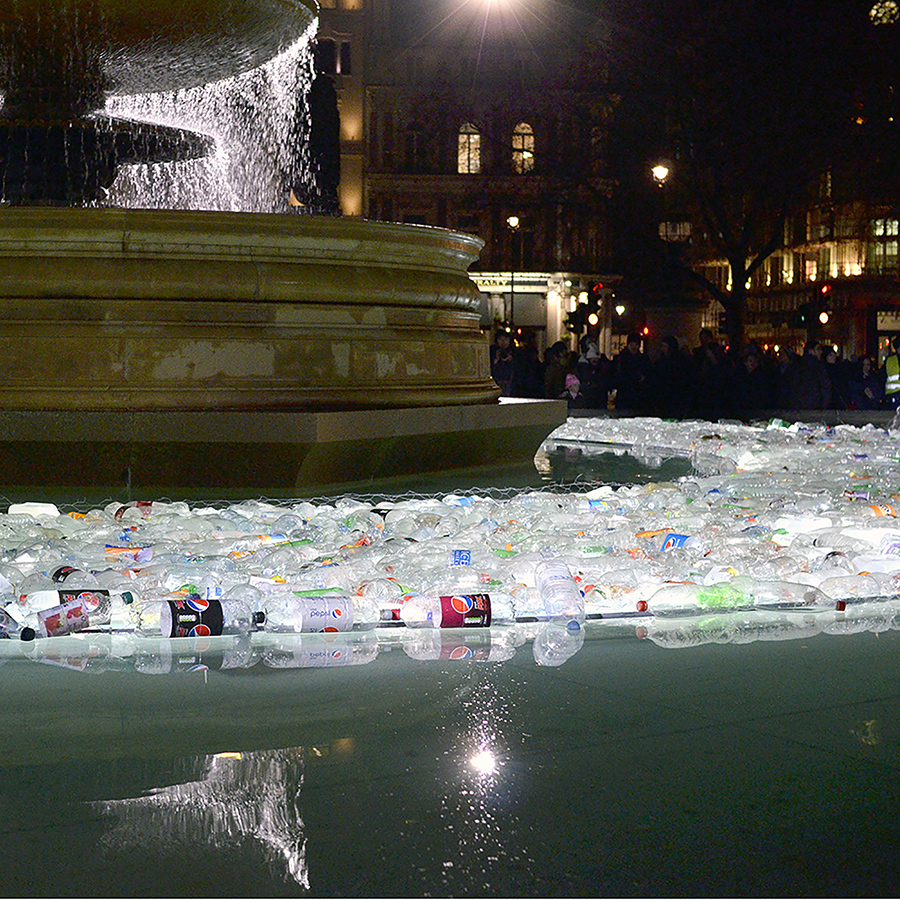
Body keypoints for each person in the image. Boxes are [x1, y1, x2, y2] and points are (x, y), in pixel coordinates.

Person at [784, 340, 832, 409]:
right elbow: (825, 387)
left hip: (796, 405)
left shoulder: (795, 366)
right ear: (811, 351)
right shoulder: (818, 367)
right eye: (818, 349)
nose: (821, 352)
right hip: (815, 405)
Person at [613, 332, 651, 413]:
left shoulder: (643, 360)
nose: (634, 347)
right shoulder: (621, 359)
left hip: (638, 397)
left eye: (636, 344)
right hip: (625, 396)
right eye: (632, 344)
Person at [490, 329, 513, 396]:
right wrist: (496, 359)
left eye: (506, 339)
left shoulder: (512, 351)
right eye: (501, 339)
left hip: (509, 381)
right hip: (496, 380)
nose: (503, 342)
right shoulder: (492, 350)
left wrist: (510, 360)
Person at [882, 336, 900, 410]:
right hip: (895, 396)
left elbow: (882, 378)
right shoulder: (891, 361)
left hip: (892, 396)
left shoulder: (890, 361)